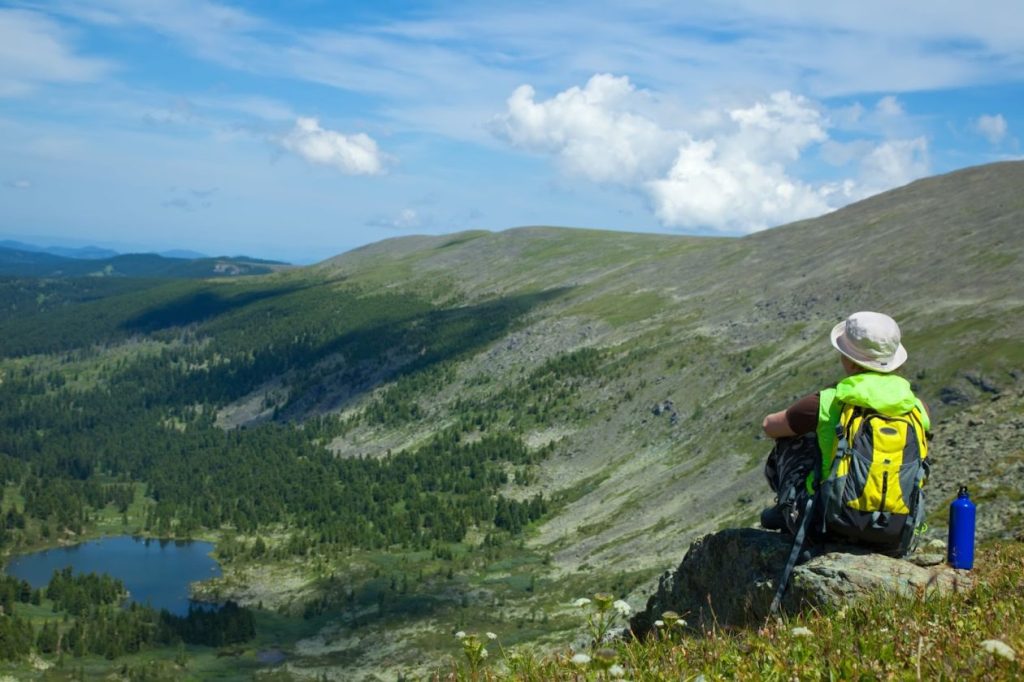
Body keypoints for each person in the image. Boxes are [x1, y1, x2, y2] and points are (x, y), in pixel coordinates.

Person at [759, 311, 930, 536]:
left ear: (849, 361)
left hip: (828, 525)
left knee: (793, 438)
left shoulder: (828, 402)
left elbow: (769, 426)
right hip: (896, 531)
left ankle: (789, 507)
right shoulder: (917, 408)